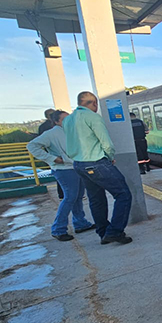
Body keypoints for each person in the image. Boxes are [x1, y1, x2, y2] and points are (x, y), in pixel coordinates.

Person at [64, 91, 133, 245]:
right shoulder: (93, 117)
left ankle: (103, 233)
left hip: (79, 164)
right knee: (123, 194)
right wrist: (109, 158)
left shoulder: (68, 120)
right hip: (96, 162)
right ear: (94, 103)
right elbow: (106, 143)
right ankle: (115, 231)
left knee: (96, 200)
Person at [27, 109, 95, 241]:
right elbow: (32, 146)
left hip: (76, 166)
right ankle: (58, 228)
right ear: (56, 121)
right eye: (64, 119)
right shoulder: (51, 134)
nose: (68, 121)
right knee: (70, 197)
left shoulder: (72, 131)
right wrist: (52, 158)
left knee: (78, 197)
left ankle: (80, 223)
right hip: (63, 169)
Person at [39, 108, 63, 199]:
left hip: (52, 155)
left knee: (59, 176)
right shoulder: (52, 128)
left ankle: (62, 195)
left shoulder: (43, 127)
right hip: (57, 155)